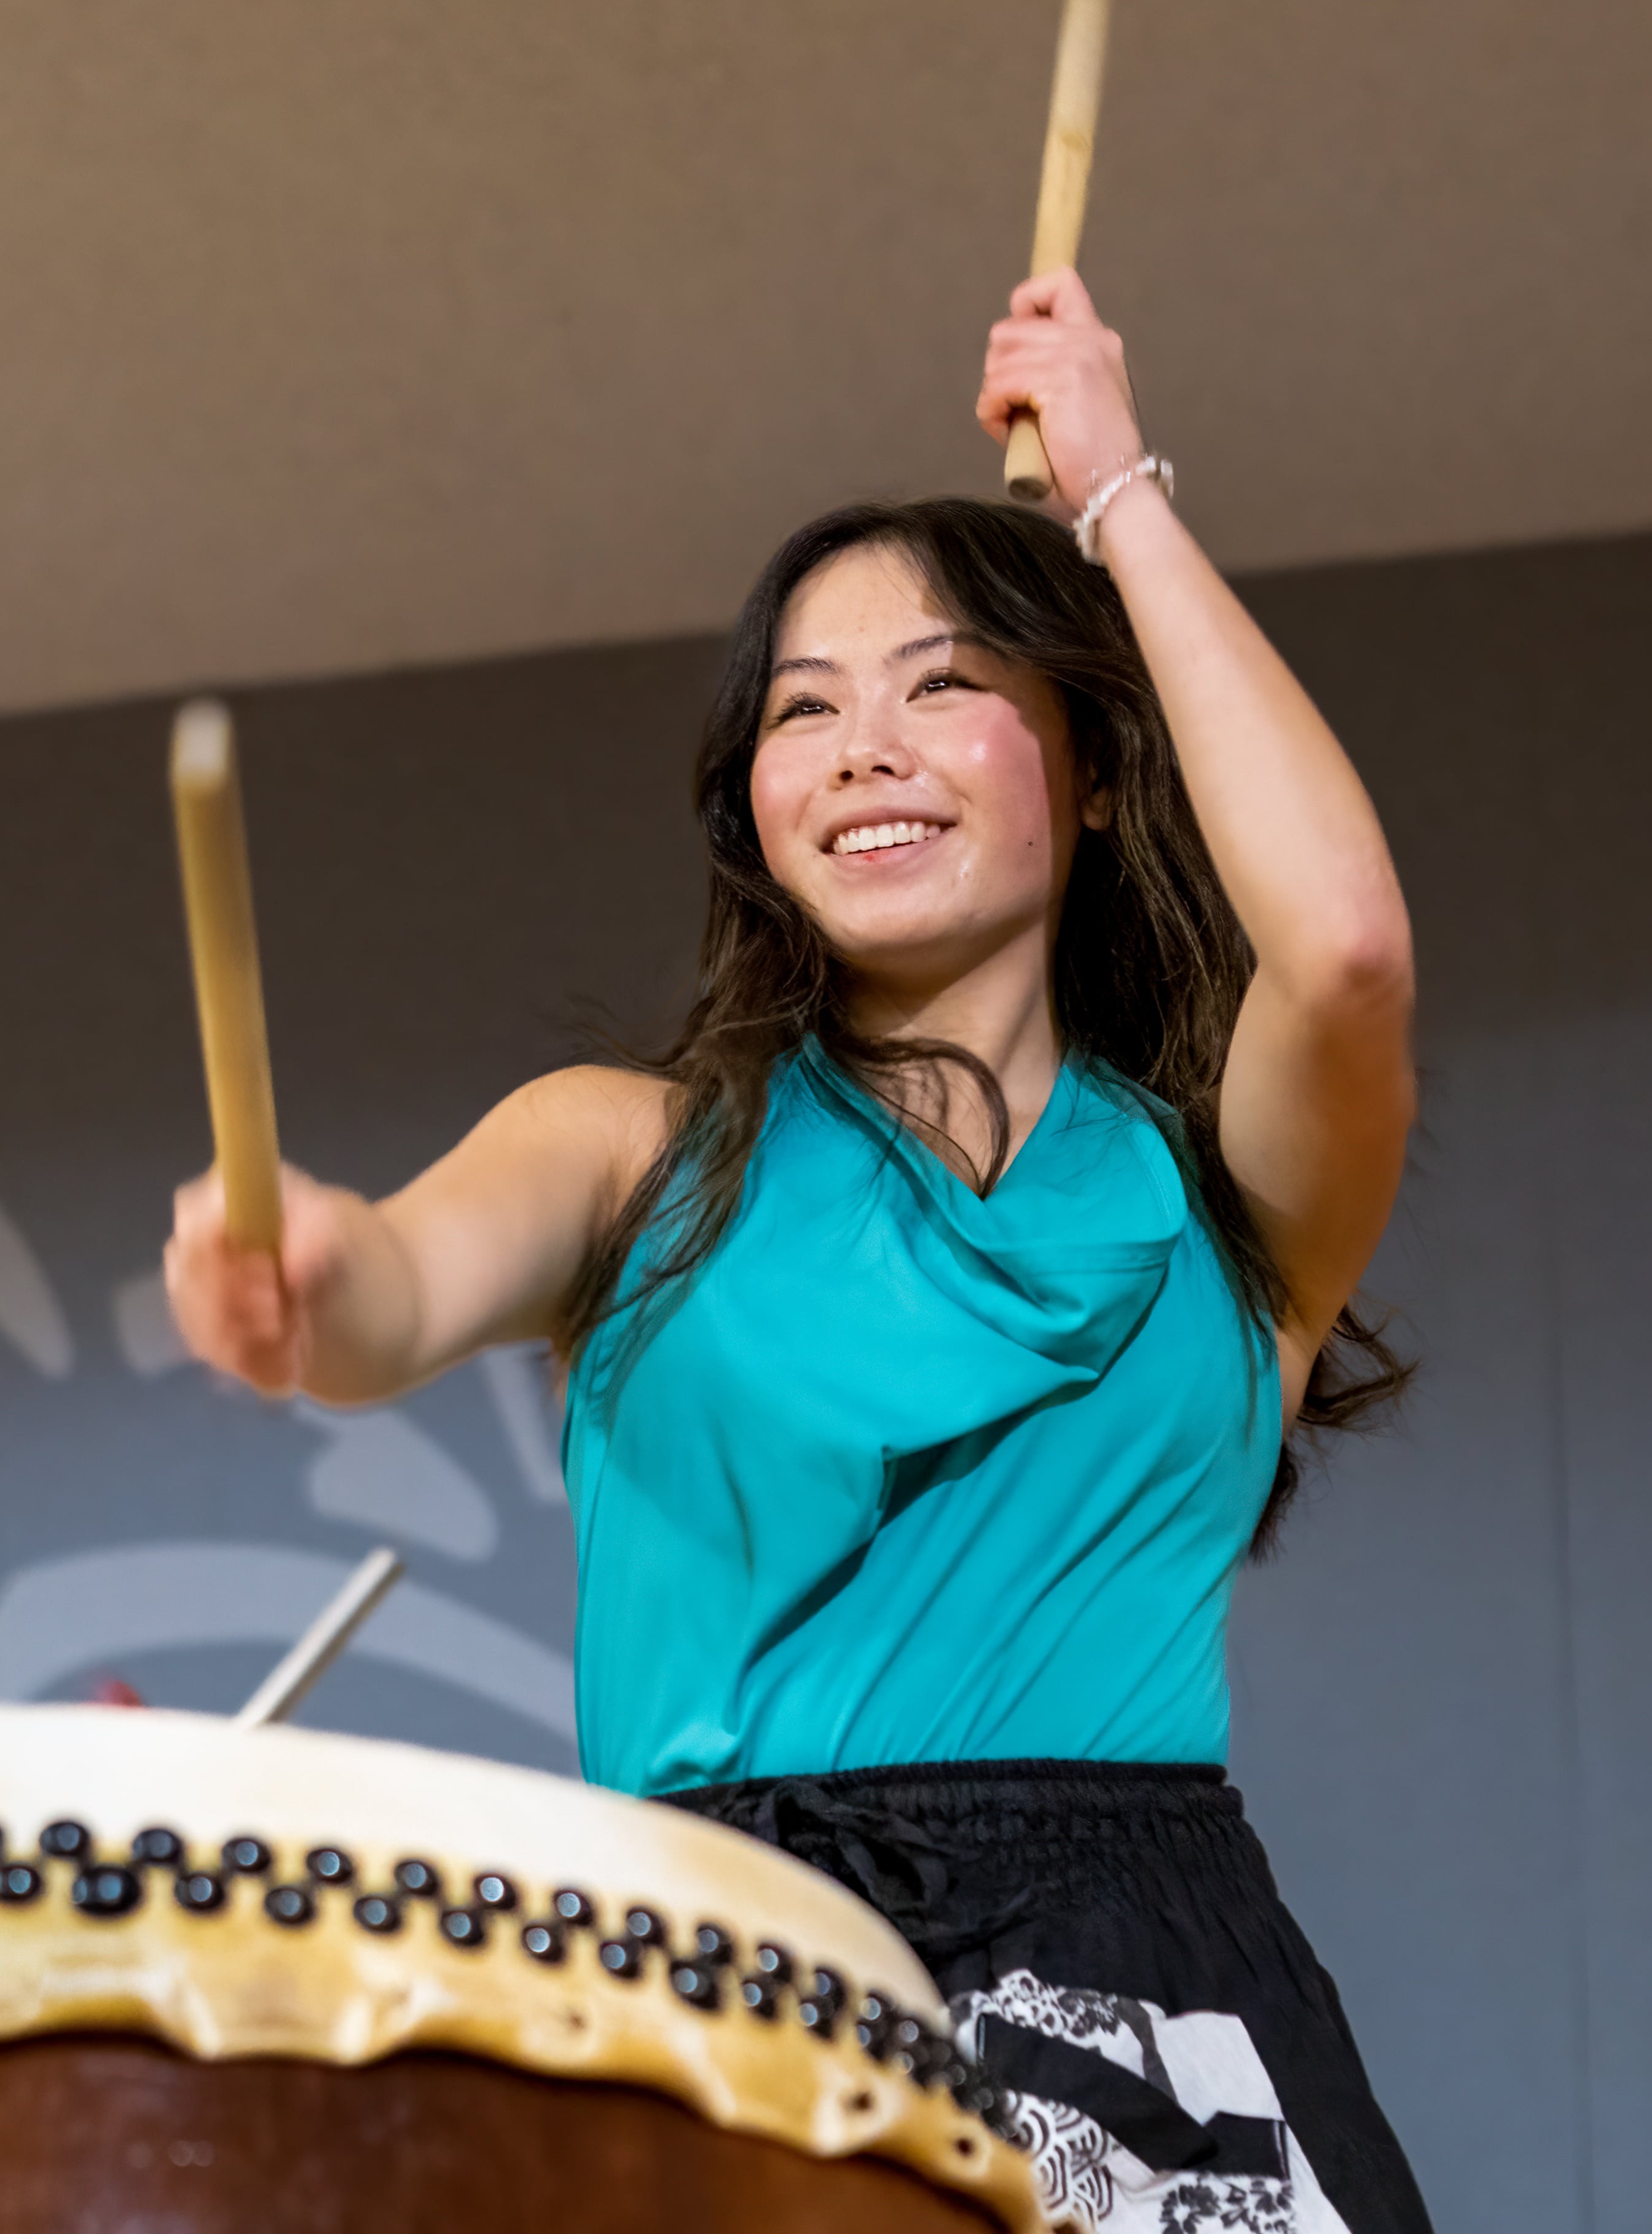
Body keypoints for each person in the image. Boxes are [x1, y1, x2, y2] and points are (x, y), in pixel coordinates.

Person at [166, 271, 1431, 2233]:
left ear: (1090, 766)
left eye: (942, 685)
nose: (864, 747)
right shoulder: (630, 1143)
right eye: (803, 712)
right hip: (720, 1962)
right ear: (754, 813)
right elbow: (385, 1295)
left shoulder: (1230, 1199)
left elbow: (1343, 944)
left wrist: (1113, 492)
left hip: (1146, 1977)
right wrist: (302, 1277)